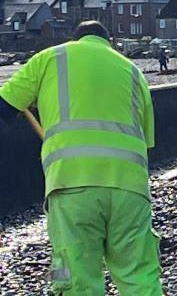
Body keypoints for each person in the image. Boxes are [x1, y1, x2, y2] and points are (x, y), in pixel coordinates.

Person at [0, 21, 162, 295]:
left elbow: (4, 106)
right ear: (108, 42)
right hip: (131, 189)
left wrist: (34, 102)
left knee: (74, 275)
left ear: (77, 39)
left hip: (72, 186)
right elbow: (145, 143)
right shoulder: (134, 72)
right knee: (140, 274)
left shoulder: (50, 58)